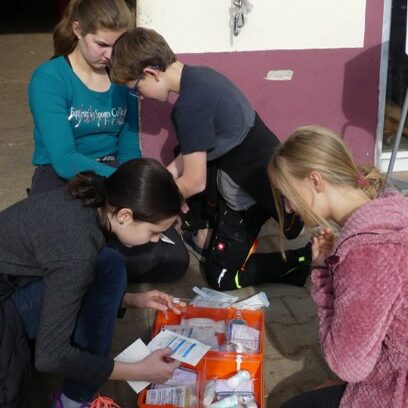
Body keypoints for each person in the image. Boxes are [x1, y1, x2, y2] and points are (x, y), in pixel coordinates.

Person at [110, 27, 311, 291]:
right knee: (181, 158)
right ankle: (225, 228)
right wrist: (163, 179)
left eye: (136, 89)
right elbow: (193, 150)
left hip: (248, 190)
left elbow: (194, 182)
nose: (141, 96)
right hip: (266, 168)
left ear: (150, 73)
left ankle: (301, 259)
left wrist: (150, 207)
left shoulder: (188, 108)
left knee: (221, 278)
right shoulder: (200, 76)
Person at [0, 158, 185, 408]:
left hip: (14, 280)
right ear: (124, 216)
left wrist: (127, 300)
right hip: (6, 303)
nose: (155, 241)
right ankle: (73, 402)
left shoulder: (91, 197)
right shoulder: (78, 251)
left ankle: (74, 397)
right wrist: (139, 371)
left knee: (109, 264)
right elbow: (50, 356)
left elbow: (62, 270)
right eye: (154, 232)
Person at [28, 0, 188, 284]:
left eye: (117, 45)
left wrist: (144, 194)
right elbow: (64, 160)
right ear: (78, 30)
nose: (111, 55)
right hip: (62, 175)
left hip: (112, 170)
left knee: (174, 259)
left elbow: (128, 149)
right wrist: (126, 185)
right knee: (75, 244)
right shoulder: (49, 78)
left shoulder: (122, 79)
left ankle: (93, 270)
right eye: (102, 44)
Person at [268, 126, 408, 408]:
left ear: (315, 180)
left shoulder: (366, 251)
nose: (289, 207)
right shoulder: (392, 209)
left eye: (287, 194)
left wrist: (322, 277)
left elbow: (347, 366)